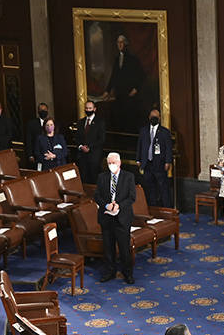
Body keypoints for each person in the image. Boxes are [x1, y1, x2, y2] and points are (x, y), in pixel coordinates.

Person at [94, 152, 136, 285]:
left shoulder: (128, 177)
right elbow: (97, 196)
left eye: (114, 163)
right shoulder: (102, 177)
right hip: (106, 217)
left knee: (124, 248)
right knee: (108, 247)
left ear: (119, 163)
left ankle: (127, 273)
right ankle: (110, 272)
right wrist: (106, 205)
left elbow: (131, 197)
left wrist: (119, 206)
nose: (111, 165)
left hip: (122, 218)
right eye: (109, 163)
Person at [136, 108, 173, 208]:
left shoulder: (165, 132)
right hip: (147, 163)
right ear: (149, 117)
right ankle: (152, 208)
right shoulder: (143, 130)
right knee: (149, 187)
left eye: (156, 117)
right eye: (152, 117)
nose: (154, 119)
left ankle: (167, 209)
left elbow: (169, 148)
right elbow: (139, 145)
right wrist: (138, 159)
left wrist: (168, 162)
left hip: (160, 164)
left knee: (163, 188)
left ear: (159, 118)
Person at [106, 34, 144, 132]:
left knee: (130, 119)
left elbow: (141, 75)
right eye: (118, 42)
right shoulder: (116, 59)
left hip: (130, 94)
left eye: (122, 42)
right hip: (119, 94)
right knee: (118, 118)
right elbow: (113, 76)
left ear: (126, 44)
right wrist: (107, 91)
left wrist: (136, 89)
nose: (120, 44)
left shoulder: (133, 59)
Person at [73, 100, 106, 184]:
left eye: (90, 108)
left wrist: (89, 147)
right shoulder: (80, 122)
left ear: (94, 109)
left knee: (94, 178)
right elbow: (77, 138)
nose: (88, 110)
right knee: (83, 178)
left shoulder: (100, 122)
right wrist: (81, 146)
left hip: (94, 156)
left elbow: (101, 139)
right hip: (82, 156)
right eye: (86, 108)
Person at [24, 102, 50, 168]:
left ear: (47, 111)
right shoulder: (31, 124)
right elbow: (28, 140)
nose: (43, 112)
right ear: (38, 111)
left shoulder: (51, 123)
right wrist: (30, 155)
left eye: (44, 110)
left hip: (49, 155)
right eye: (41, 110)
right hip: (37, 156)